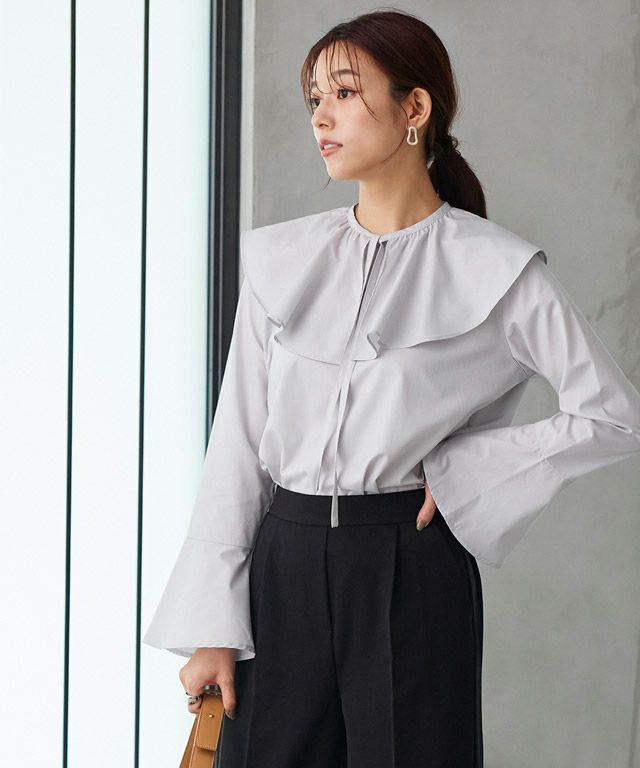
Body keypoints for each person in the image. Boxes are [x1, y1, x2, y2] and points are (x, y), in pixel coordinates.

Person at [142, 9, 640, 767]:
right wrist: (214, 625)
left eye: (344, 93)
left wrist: (468, 470)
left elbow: (613, 415)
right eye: (315, 98)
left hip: (411, 568)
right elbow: (237, 446)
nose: (321, 116)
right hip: (282, 563)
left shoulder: (497, 269)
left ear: (416, 108)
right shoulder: (284, 260)